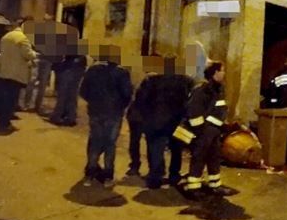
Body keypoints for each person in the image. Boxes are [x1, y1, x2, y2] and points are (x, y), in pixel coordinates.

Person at [79, 45, 133, 187]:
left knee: (95, 141)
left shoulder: (93, 70)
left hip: (96, 111)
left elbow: (83, 91)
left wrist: (93, 102)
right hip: (114, 113)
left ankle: (89, 174)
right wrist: (121, 106)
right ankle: (108, 176)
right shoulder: (122, 73)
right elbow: (127, 94)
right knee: (110, 143)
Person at [141, 57, 194, 189]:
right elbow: (190, 101)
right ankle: (174, 175)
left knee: (155, 149)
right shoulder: (186, 81)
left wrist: (146, 117)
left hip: (156, 120)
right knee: (176, 149)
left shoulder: (151, 79)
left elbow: (142, 99)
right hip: (176, 120)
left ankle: (155, 176)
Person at [183, 61, 233, 200]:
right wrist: (201, 131)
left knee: (214, 158)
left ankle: (215, 185)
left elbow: (220, 109)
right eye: (222, 71)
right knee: (199, 158)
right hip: (204, 132)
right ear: (215, 73)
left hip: (214, 132)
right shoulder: (202, 89)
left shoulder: (218, 88)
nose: (224, 73)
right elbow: (193, 112)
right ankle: (193, 188)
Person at [0, 18, 37, 132]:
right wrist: (35, 54)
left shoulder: (7, 36)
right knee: (11, 99)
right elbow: (28, 55)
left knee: (4, 98)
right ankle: (4, 124)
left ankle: (0, 121)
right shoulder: (23, 39)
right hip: (15, 74)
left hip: (4, 72)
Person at [50, 29, 86, 126]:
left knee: (63, 95)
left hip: (67, 72)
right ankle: (70, 116)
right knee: (72, 96)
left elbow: (59, 60)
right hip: (75, 73)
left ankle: (58, 116)